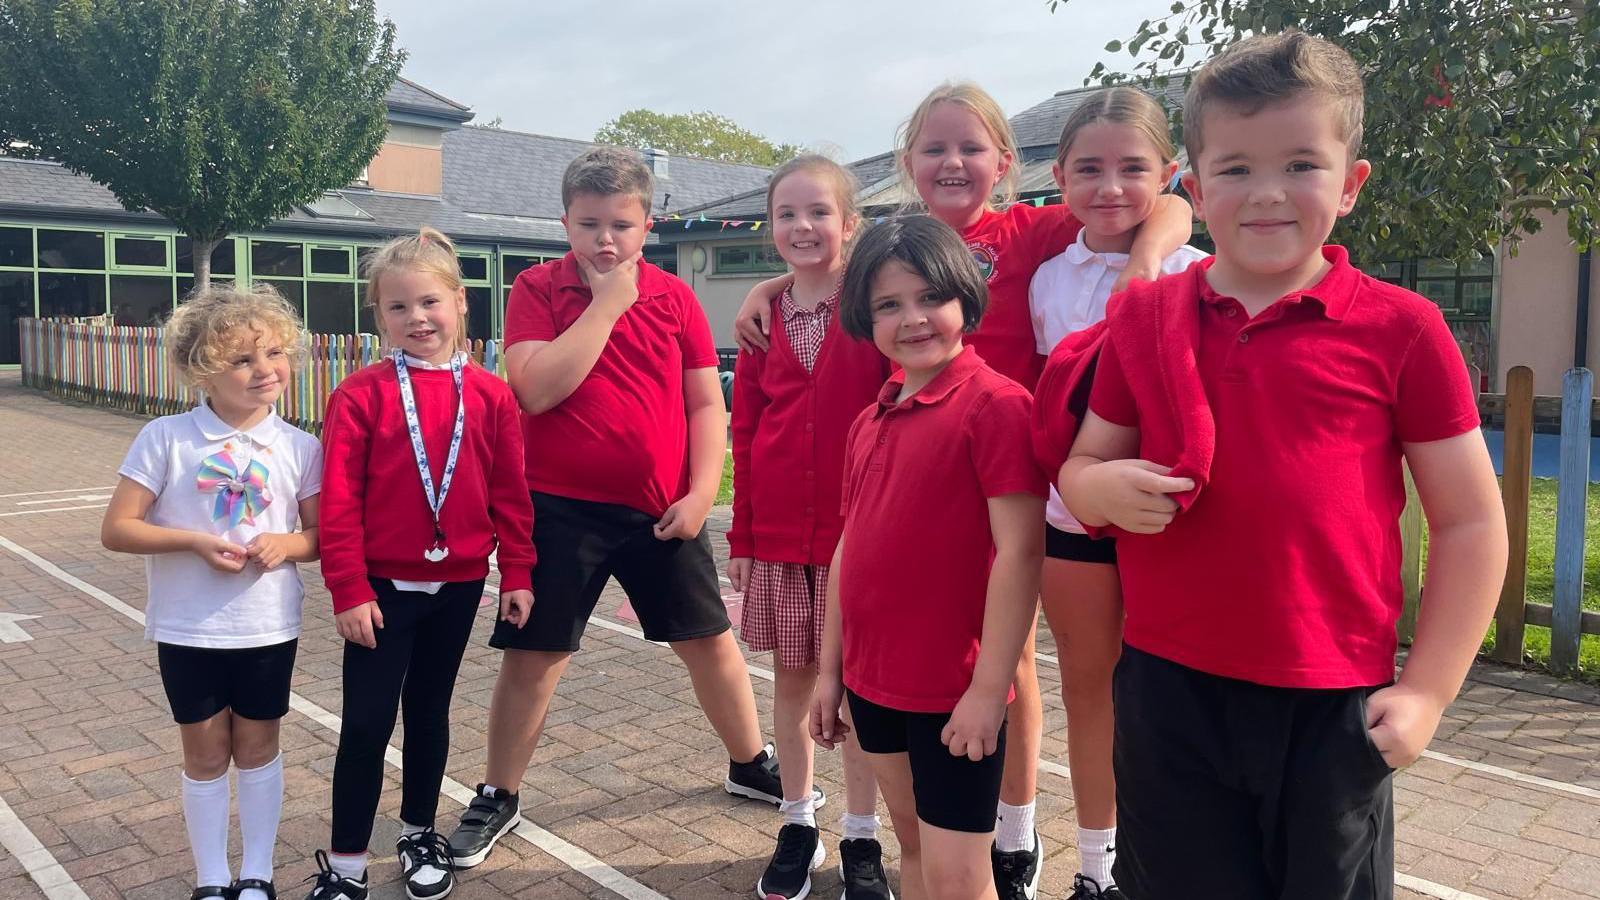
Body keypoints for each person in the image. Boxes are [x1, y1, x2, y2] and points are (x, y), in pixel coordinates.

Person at [1047, 31, 1507, 900]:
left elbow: (1472, 520)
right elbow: (1081, 468)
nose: (1266, 194)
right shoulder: (1145, 322)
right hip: (1167, 691)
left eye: (1301, 163)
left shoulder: (1403, 329)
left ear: (1351, 183)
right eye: (1234, 169)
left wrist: (1429, 694)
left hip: (1333, 703)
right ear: (1192, 182)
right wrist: (1098, 487)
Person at [735, 83, 1194, 899]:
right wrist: (767, 288)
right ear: (908, 165)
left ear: (1007, 165)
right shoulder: (886, 252)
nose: (952, 163)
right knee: (915, 672)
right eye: (934, 150)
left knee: (1009, 666)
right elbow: (826, 270)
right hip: (922, 470)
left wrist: (1153, 253)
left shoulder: (1033, 228)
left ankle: (1014, 840)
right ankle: (895, 838)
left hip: (1013, 474)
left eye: (970, 148)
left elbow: (1156, 205)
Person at [447, 147, 800, 870]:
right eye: (588, 224)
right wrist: (608, 304)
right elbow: (536, 389)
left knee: (708, 641)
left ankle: (750, 760)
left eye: (621, 225)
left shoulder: (674, 298)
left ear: (647, 226)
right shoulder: (536, 288)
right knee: (536, 654)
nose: (605, 240)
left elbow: (706, 402)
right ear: (565, 223)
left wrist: (703, 492)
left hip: (661, 510)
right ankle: (499, 792)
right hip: (559, 510)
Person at [812, 215, 1045, 900]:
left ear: (964, 300)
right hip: (874, 685)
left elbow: (1021, 552)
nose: (912, 319)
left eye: (929, 297)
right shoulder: (871, 417)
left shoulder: (997, 406)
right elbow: (849, 549)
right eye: (889, 304)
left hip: (953, 693)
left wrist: (985, 690)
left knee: (960, 879)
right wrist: (830, 674)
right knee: (914, 851)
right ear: (864, 315)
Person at [304, 227, 536, 900]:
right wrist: (347, 587)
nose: (417, 319)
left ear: (462, 303)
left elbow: (510, 493)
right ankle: (346, 862)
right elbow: (340, 500)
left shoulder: (491, 395)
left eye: (430, 302)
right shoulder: (361, 394)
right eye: (397, 308)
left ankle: (416, 832)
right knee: (368, 722)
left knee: (429, 714)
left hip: (459, 583)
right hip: (379, 589)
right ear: (378, 316)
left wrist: (517, 572)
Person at [1025, 85, 1206, 900]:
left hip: (1179, 526)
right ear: (1058, 176)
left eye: (1133, 168)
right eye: (1088, 168)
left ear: (1169, 174)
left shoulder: (1200, 271)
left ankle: (1172, 861)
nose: (1110, 187)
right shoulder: (1047, 282)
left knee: (1176, 696)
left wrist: (1150, 263)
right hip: (1074, 519)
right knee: (1089, 690)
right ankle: (1097, 869)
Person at [102, 283, 323, 900]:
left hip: (268, 626)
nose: (265, 370)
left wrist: (287, 546)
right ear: (202, 370)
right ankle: (211, 878)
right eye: (243, 360)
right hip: (188, 627)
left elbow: (320, 534)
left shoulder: (300, 446)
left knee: (258, 747)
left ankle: (256, 874)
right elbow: (117, 528)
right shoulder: (166, 437)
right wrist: (195, 542)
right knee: (204, 754)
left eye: (275, 353)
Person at [728, 154, 894, 900]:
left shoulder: (871, 310)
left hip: (857, 540)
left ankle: (862, 835)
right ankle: (798, 823)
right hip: (780, 542)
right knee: (794, 688)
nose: (803, 226)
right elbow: (747, 431)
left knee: (857, 697)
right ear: (771, 229)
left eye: (819, 212)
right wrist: (740, 537)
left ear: (850, 225)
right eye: (787, 214)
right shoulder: (763, 322)